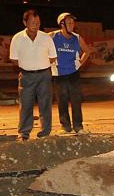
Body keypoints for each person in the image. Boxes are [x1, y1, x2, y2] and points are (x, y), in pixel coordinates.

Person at [9, 9, 57, 141]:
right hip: (26, 76)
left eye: (38, 22)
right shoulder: (17, 38)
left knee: (45, 104)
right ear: (25, 22)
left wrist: (40, 65)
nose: (36, 25)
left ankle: (45, 132)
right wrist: (28, 65)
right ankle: (24, 133)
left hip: (44, 75)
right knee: (26, 104)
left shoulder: (46, 37)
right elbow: (14, 59)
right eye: (32, 22)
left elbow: (52, 57)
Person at [50, 12, 92, 134]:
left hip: (73, 73)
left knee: (76, 100)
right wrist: (48, 61)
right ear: (62, 24)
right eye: (69, 23)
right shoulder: (52, 36)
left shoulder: (77, 38)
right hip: (58, 73)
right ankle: (65, 126)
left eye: (73, 23)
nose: (72, 25)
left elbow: (87, 51)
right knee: (62, 100)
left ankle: (78, 126)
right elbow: (41, 45)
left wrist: (80, 62)